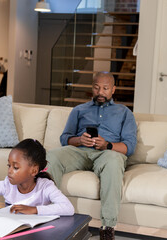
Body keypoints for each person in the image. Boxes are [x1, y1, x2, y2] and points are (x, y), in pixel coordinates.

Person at [47, 71, 137, 239]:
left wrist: (107, 145)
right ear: (92, 88)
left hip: (107, 153)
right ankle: (49, 213)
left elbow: (129, 146)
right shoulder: (79, 110)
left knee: (113, 161)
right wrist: (79, 140)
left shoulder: (124, 113)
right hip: (80, 151)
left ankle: (107, 227)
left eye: (105, 88)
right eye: (96, 88)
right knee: (52, 155)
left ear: (113, 90)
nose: (100, 92)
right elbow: (65, 138)